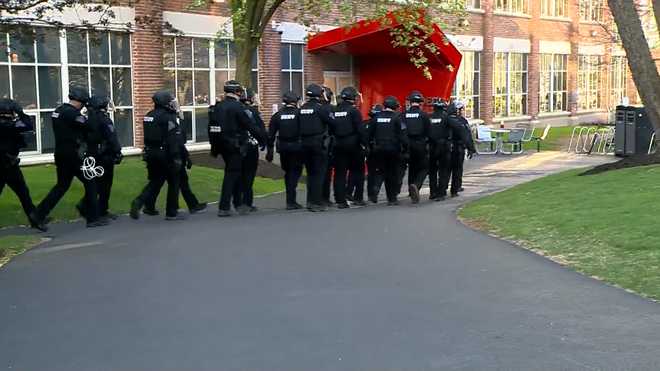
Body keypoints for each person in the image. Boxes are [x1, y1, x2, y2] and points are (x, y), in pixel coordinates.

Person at [33, 87, 108, 228]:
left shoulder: (59, 110)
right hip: (73, 154)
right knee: (91, 182)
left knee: (61, 186)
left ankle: (38, 215)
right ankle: (92, 218)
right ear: (81, 101)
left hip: (61, 153)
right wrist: (92, 111)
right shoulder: (72, 114)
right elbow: (89, 126)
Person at [208, 80, 265, 217]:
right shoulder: (238, 107)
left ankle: (237, 203)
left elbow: (211, 129)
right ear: (238, 92)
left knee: (232, 173)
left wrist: (214, 148)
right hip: (236, 145)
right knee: (232, 175)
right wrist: (262, 139)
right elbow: (250, 125)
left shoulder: (217, 107)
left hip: (222, 146)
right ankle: (224, 206)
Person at [129, 91, 186, 221]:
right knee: (174, 182)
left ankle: (142, 202)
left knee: (155, 181)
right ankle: (172, 212)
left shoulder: (149, 115)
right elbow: (173, 138)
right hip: (165, 153)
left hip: (150, 152)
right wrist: (176, 156)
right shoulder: (168, 117)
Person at [141, 114, 208, 216]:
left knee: (162, 182)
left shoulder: (156, 117)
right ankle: (173, 210)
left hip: (163, 155)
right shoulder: (168, 119)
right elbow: (177, 142)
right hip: (172, 156)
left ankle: (150, 206)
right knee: (174, 183)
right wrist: (183, 157)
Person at [76, 95, 123, 220]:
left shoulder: (88, 119)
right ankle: (102, 210)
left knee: (95, 183)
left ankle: (86, 205)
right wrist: (117, 151)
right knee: (105, 184)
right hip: (104, 155)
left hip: (91, 154)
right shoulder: (104, 120)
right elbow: (111, 137)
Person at [0, 99, 44, 231]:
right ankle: (35, 220)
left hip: (7, 164)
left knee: (23, 193)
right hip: (8, 165)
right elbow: (28, 124)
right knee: (23, 193)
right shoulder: (10, 125)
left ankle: (35, 219)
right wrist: (20, 111)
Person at [298, 83, 335, 212]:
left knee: (310, 173)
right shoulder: (321, 109)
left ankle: (309, 201)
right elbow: (332, 122)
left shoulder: (302, 108)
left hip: (304, 144)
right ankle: (317, 202)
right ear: (320, 95)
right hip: (318, 143)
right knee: (319, 174)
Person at [330, 86, 367, 208]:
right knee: (358, 171)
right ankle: (358, 198)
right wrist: (365, 145)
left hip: (337, 145)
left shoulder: (334, 110)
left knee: (340, 174)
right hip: (353, 145)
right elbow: (360, 130)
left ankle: (340, 200)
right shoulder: (354, 111)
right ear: (353, 98)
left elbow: (330, 128)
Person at [266, 91, 304, 210]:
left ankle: (290, 198)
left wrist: (270, 151)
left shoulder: (277, 115)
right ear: (295, 101)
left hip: (283, 147)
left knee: (288, 172)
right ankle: (291, 201)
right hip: (297, 147)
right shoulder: (299, 114)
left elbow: (270, 135)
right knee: (295, 172)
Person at [368, 96, 408, 206]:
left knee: (379, 171)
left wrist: (369, 147)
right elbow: (403, 136)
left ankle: (375, 189)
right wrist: (406, 149)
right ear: (395, 106)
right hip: (392, 150)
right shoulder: (397, 118)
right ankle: (392, 198)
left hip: (378, 149)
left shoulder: (376, 118)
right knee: (392, 174)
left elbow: (369, 134)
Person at [236, 88, 266, 212]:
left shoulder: (236, 110)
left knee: (238, 175)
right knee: (249, 175)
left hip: (237, 146)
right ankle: (247, 202)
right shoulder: (253, 112)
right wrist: (264, 141)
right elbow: (260, 129)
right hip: (251, 146)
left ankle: (237, 201)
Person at [402, 90, 431, 204]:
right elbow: (429, 130)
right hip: (420, 144)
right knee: (425, 167)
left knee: (412, 167)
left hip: (407, 144)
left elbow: (400, 129)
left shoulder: (403, 115)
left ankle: (411, 190)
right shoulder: (424, 115)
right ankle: (416, 185)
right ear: (420, 103)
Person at [447, 100, 476, 197]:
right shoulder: (462, 121)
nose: (462, 111)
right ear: (457, 110)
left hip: (446, 148)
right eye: (461, 109)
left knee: (446, 169)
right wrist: (471, 148)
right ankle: (455, 188)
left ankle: (442, 189)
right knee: (457, 169)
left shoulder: (445, 119)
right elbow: (467, 136)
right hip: (458, 148)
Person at [427, 100, 452, 201]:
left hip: (431, 147)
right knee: (443, 170)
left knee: (432, 171)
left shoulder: (429, 117)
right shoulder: (446, 117)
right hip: (443, 147)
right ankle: (441, 193)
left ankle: (433, 192)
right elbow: (455, 128)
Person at [320, 85, 335, 207]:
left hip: (310, 144)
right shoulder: (329, 109)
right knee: (326, 172)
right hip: (327, 144)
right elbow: (334, 124)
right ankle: (324, 197)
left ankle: (314, 198)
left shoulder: (305, 108)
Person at [365, 104, 383, 203]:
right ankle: (375, 190)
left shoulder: (366, 123)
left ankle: (370, 194)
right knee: (380, 172)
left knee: (371, 173)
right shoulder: (381, 124)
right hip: (380, 150)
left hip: (370, 151)